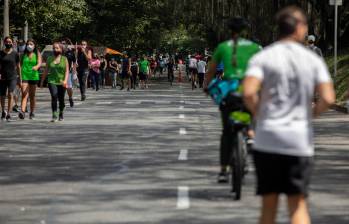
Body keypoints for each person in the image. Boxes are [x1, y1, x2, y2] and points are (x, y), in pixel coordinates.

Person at [243, 6, 335, 224]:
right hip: (299, 141)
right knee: (298, 205)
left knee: (269, 206)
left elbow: (247, 92)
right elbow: (329, 98)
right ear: (302, 28)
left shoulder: (264, 57)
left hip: (268, 140)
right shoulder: (312, 59)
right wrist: (311, 115)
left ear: (279, 28)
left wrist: (261, 115)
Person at [205, 17, 262, 183]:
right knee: (252, 111)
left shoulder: (223, 47)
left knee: (227, 133)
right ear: (246, 32)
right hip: (249, 89)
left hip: (229, 91)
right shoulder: (255, 47)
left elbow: (211, 71)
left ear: (230, 32)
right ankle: (250, 134)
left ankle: (223, 170)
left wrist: (206, 86)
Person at [40, 42, 69, 122]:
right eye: (53, 48)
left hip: (62, 81)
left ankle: (61, 113)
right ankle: (54, 114)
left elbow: (67, 71)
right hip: (52, 81)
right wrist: (42, 81)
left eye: (57, 48)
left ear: (61, 49)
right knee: (54, 96)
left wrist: (65, 81)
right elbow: (46, 70)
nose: (55, 49)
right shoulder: (49, 58)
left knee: (61, 99)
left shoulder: (64, 59)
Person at [19, 39, 42, 119]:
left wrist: (36, 66)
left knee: (32, 95)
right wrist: (19, 76)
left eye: (31, 44)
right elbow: (20, 65)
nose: (29, 45)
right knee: (24, 94)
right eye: (28, 44)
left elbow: (39, 63)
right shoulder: (23, 54)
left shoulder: (37, 53)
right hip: (25, 76)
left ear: (34, 45)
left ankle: (32, 112)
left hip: (33, 76)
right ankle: (22, 111)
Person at [0, 37, 21, 121]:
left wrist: (20, 78)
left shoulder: (16, 54)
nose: (8, 43)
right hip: (2, 77)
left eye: (10, 42)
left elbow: (18, 67)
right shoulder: (0, 53)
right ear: (4, 43)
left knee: (11, 93)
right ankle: (3, 111)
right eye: (7, 42)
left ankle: (8, 113)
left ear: (12, 43)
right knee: (2, 95)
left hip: (13, 77)